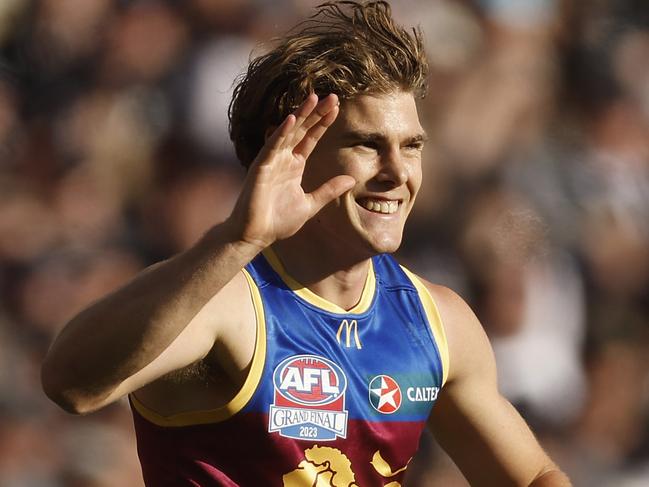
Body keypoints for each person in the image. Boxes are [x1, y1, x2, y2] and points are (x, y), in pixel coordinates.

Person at [42, 1, 572, 486]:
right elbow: (71, 385)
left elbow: (532, 477)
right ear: (291, 152)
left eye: (411, 146)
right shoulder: (229, 305)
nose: (398, 173)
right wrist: (234, 240)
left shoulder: (436, 322)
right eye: (367, 145)